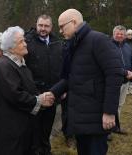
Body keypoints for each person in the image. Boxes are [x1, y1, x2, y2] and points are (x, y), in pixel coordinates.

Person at [50, 9, 124, 155]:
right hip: (80, 118)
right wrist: (53, 92)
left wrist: (109, 112)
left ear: (74, 22)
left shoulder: (98, 40)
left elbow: (115, 74)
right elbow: (71, 77)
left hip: (96, 118)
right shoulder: (73, 45)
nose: (60, 31)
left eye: (62, 26)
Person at [0, 26, 55, 155]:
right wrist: (39, 100)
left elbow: (27, 89)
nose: (25, 44)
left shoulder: (19, 64)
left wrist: (40, 96)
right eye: (21, 42)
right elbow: (15, 95)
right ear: (11, 48)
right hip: (6, 135)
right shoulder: (4, 67)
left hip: (18, 132)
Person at [25, 14, 63, 155]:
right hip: (35, 95)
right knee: (34, 129)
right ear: (36, 25)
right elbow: (24, 70)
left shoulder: (57, 43)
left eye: (46, 26)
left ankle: (46, 151)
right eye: (40, 25)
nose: (43, 28)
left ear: (51, 27)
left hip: (53, 94)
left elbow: (62, 68)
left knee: (47, 128)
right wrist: (33, 93)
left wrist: (61, 90)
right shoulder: (28, 42)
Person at [112, 25, 132, 133]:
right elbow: (110, 65)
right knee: (111, 105)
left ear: (125, 35)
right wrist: (125, 72)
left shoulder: (128, 47)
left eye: (122, 34)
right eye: (117, 33)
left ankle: (116, 127)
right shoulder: (108, 46)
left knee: (120, 105)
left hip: (125, 82)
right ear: (113, 34)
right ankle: (108, 129)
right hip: (113, 82)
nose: (119, 35)